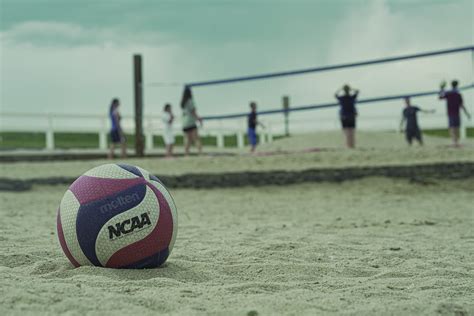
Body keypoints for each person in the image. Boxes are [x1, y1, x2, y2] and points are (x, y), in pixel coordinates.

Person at [439, 80, 471, 146]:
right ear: (457, 85)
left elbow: (440, 97)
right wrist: (467, 113)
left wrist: (441, 88)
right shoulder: (454, 94)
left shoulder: (452, 94)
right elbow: (462, 105)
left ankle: (455, 142)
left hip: (452, 113)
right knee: (455, 128)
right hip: (454, 113)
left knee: (453, 128)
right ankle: (455, 142)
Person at [335, 84, 359, 148]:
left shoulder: (342, 98)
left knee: (346, 132)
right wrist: (351, 89)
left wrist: (340, 89)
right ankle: (352, 145)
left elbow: (335, 95)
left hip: (344, 116)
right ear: (349, 91)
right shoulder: (352, 97)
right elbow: (357, 91)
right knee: (352, 131)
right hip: (351, 116)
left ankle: (348, 145)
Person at [181, 86, 203, 155]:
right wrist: (199, 119)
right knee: (196, 138)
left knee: (187, 139)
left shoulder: (183, 102)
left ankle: (186, 153)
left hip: (184, 122)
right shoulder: (190, 101)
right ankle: (200, 153)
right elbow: (193, 112)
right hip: (191, 122)